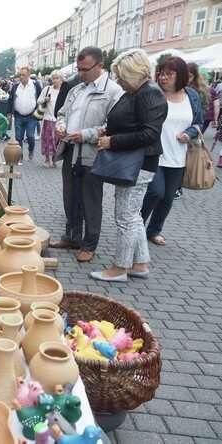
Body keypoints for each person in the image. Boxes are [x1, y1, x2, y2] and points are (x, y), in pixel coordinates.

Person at [89, 49, 168, 282]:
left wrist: (112, 141)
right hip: (137, 162)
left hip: (139, 164)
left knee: (126, 218)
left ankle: (120, 268)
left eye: (121, 76)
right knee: (132, 215)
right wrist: (110, 131)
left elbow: (149, 134)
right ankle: (140, 264)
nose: (119, 80)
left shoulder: (149, 94)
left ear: (134, 72)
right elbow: (132, 123)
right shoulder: (138, 92)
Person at [50, 47, 123, 263]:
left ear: (100, 66)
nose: (80, 74)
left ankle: (89, 244)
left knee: (90, 200)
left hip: (93, 154)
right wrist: (61, 125)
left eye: (85, 69)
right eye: (78, 69)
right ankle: (72, 237)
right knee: (70, 196)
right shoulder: (77, 89)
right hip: (70, 149)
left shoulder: (113, 92)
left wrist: (86, 135)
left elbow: (113, 126)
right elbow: (62, 113)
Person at [141, 56, 203, 246]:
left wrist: (189, 134)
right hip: (155, 154)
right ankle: (136, 226)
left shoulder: (191, 96)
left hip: (178, 157)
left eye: (169, 74)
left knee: (168, 197)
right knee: (156, 192)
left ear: (181, 75)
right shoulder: (153, 93)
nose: (163, 77)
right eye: (161, 73)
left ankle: (154, 231)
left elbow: (198, 123)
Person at [9, 66, 42, 160]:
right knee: (18, 137)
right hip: (18, 115)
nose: (21, 77)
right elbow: (10, 100)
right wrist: (9, 113)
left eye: (23, 75)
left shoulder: (35, 85)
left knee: (30, 136)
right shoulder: (15, 86)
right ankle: (20, 155)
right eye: (20, 75)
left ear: (28, 75)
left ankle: (31, 150)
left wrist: (39, 112)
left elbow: (41, 98)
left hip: (31, 116)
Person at [37, 70, 63, 167]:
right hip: (48, 118)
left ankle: (54, 159)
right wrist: (45, 100)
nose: (55, 80)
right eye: (53, 78)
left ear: (61, 79)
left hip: (59, 120)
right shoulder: (47, 89)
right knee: (48, 140)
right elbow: (39, 101)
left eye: (57, 78)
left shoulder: (63, 91)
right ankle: (48, 160)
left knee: (57, 141)